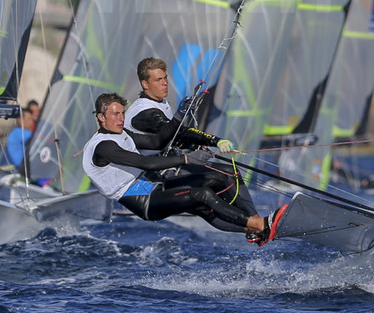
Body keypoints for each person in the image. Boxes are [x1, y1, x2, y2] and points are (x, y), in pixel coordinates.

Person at [81, 93, 286, 243]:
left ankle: (256, 228)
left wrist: (178, 117)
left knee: (217, 179)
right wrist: (187, 159)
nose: (121, 118)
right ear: (101, 117)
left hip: (151, 185)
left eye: (122, 113)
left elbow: (155, 143)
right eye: (115, 114)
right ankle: (259, 224)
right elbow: (146, 162)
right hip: (142, 200)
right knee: (201, 196)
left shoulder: (121, 133)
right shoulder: (103, 146)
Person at [125, 57, 233, 155]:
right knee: (222, 175)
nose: (165, 83)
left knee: (228, 172)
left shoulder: (160, 102)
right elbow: (177, 132)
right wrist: (215, 141)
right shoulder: (144, 112)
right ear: (145, 84)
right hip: (142, 171)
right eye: (158, 80)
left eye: (165, 78)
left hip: (160, 159)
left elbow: (171, 135)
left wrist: (194, 145)